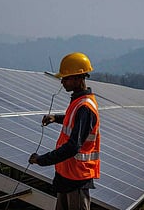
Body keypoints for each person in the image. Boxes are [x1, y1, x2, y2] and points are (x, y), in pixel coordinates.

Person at [28, 52, 100, 210]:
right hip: (66, 176)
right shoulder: (78, 102)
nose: (62, 82)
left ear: (78, 78)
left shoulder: (85, 107)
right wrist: (56, 118)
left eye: (65, 78)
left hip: (76, 178)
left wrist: (41, 160)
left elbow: (73, 146)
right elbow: (73, 120)